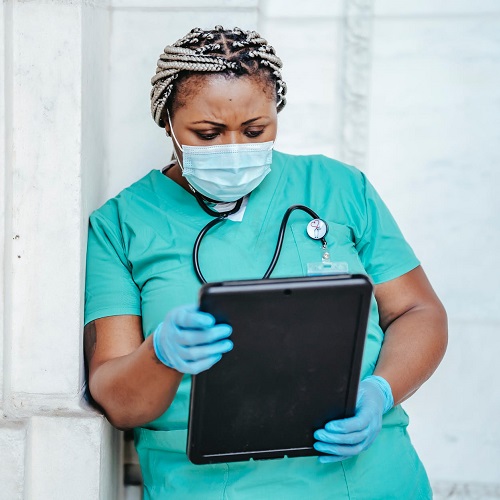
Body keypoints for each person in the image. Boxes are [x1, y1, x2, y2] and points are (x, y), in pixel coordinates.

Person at [84, 25, 448, 499]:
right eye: (207, 133)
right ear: (167, 121)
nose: (234, 149)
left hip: (368, 480)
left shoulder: (338, 187)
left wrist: (381, 392)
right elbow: (119, 402)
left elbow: (418, 311)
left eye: (255, 131)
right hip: (208, 487)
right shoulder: (122, 224)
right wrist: (159, 354)